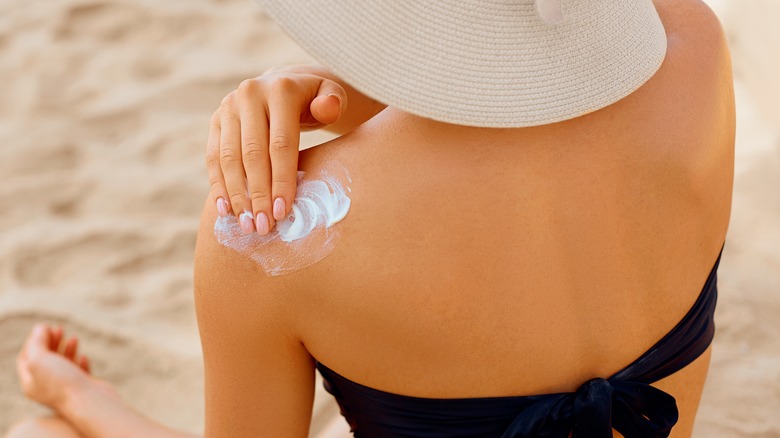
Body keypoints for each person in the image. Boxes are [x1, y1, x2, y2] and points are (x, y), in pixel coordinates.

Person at [7, 0, 735, 437]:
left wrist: (81, 397)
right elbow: (542, 76)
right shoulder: (695, 50)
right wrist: (337, 96)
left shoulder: (272, 233)